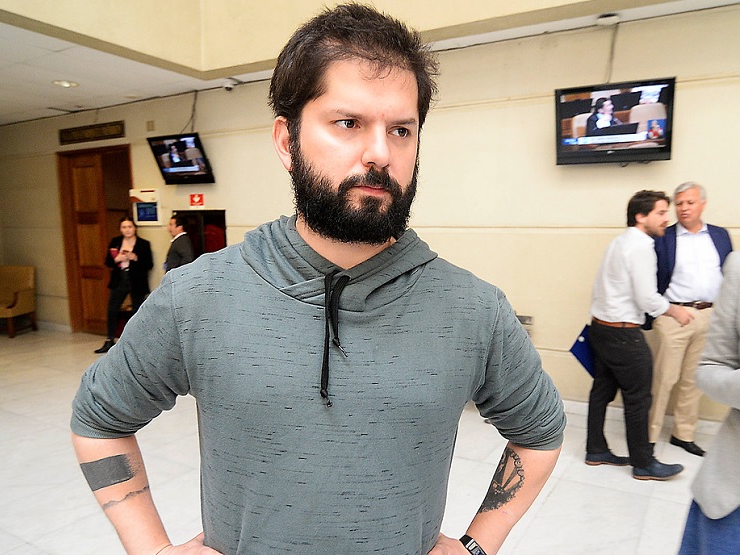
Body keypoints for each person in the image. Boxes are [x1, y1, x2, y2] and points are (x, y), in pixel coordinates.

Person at [71, 5, 566, 554]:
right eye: (348, 123)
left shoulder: (473, 309)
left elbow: (540, 433)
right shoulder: (199, 295)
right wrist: (153, 550)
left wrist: (477, 546)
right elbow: (99, 420)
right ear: (287, 141)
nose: (380, 153)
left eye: (401, 130)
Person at [586, 190, 692, 481]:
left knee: (601, 392)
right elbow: (647, 298)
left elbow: (600, 288)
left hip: (601, 328)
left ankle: (595, 450)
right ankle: (644, 464)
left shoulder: (619, 242)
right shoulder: (642, 247)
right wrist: (675, 311)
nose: (667, 218)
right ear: (641, 216)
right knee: (639, 399)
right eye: (661, 213)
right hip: (624, 334)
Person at [648, 182, 732, 456]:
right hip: (674, 315)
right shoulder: (664, 237)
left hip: (710, 315)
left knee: (694, 380)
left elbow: (728, 275)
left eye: (690, 202)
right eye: (680, 203)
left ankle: (682, 434)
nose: (684, 208)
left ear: (702, 204)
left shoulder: (720, 236)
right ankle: (649, 435)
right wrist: (662, 312)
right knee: (664, 378)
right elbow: (651, 278)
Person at [678, 251, 740, 555]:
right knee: (660, 386)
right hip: (732, 496)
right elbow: (711, 368)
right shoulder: (738, 268)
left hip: (698, 314)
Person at [94, 215, 153, 354]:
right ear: (120, 229)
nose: (127, 230)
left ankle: (138, 341)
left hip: (136, 280)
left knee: (137, 311)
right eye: (124, 227)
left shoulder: (143, 244)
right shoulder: (115, 242)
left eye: (130, 227)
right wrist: (117, 259)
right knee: (112, 309)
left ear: (135, 228)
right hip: (119, 278)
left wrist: (135, 258)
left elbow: (149, 264)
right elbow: (108, 262)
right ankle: (109, 339)